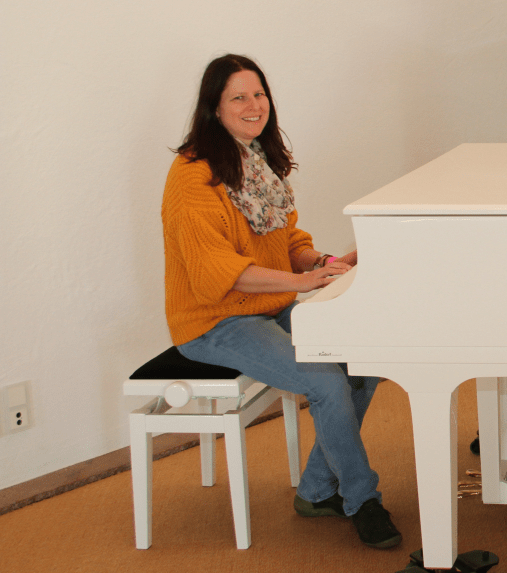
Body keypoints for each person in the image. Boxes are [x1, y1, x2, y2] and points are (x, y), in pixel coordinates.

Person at [161, 54, 401, 549]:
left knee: (363, 362)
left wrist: (325, 262)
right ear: (214, 108)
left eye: (259, 94)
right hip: (214, 321)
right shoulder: (190, 176)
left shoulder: (258, 162)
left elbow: (288, 241)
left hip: (267, 305)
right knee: (326, 382)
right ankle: (362, 499)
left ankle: (316, 491)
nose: (254, 105)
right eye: (238, 97)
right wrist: (303, 283)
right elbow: (216, 273)